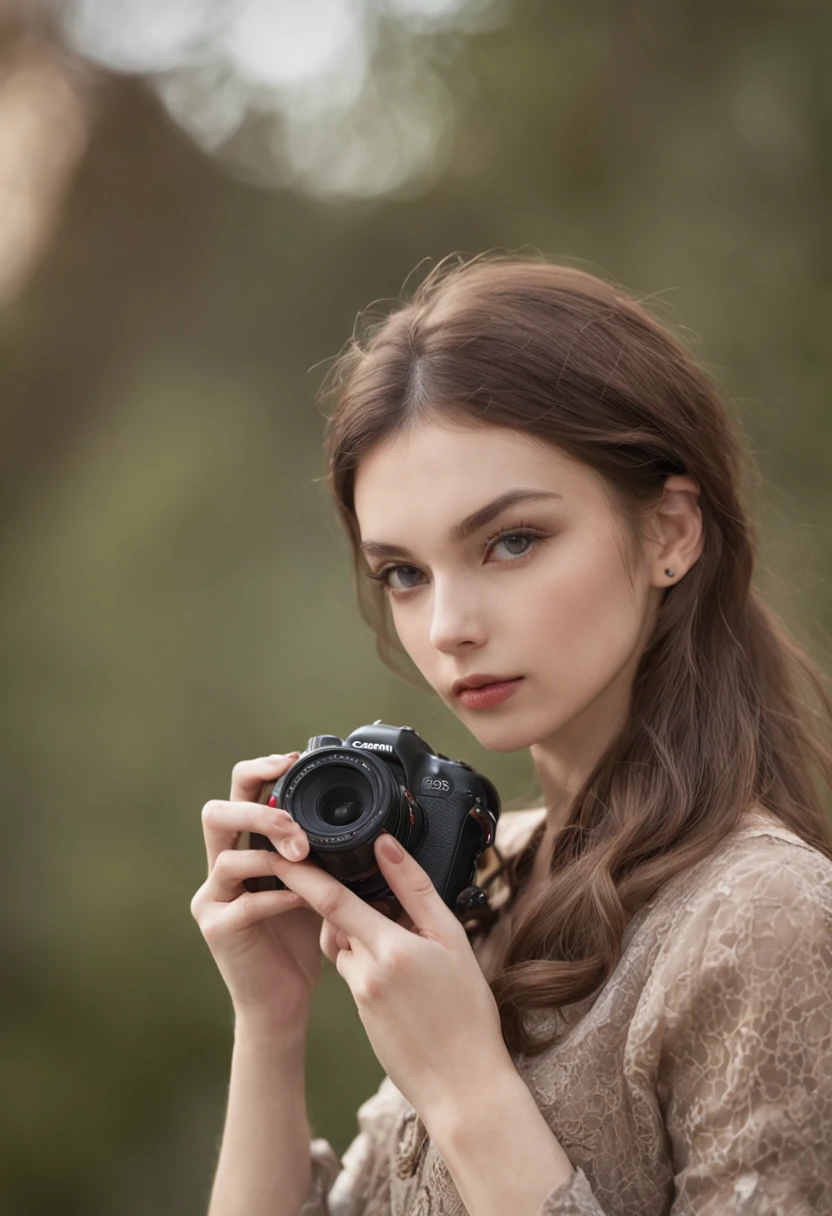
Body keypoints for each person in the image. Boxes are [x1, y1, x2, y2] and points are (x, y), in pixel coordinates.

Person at [190, 254, 832, 1216]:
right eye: (404, 572)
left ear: (670, 530)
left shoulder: (763, 917)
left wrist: (464, 1088)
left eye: (512, 541)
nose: (448, 626)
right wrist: (269, 1023)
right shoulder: (483, 873)